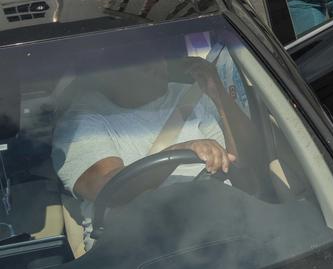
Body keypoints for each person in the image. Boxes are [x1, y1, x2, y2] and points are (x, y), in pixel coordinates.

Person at [52, 48, 234, 251]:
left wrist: (220, 100)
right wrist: (176, 152)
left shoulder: (189, 94)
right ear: (108, 72)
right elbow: (109, 190)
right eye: (139, 57)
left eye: (156, 52)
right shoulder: (81, 120)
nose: (156, 62)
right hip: (139, 248)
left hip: (217, 228)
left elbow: (241, 166)